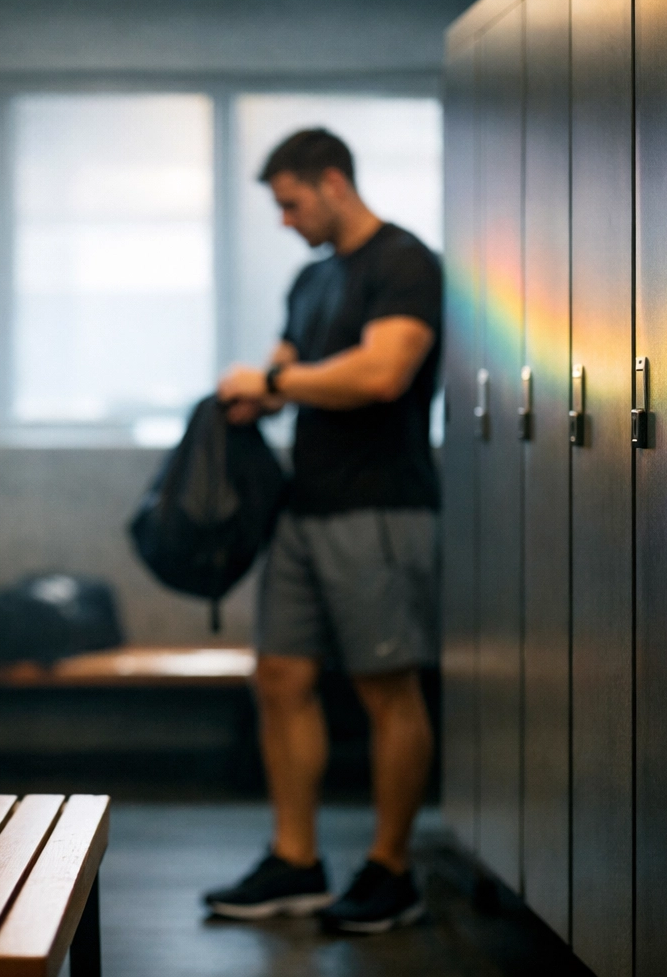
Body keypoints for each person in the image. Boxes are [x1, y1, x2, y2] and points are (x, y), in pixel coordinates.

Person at [207, 128, 442, 934]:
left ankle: (392, 870)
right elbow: (286, 371)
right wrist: (253, 395)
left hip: (379, 507)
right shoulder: (310, 281)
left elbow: (383, 373)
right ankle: (297, 860)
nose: (283, 220)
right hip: (305, 508)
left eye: (290, 203)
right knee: (279, 678)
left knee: (386, 688)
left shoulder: (404, 262)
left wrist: (276, 380)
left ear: (333, 183)